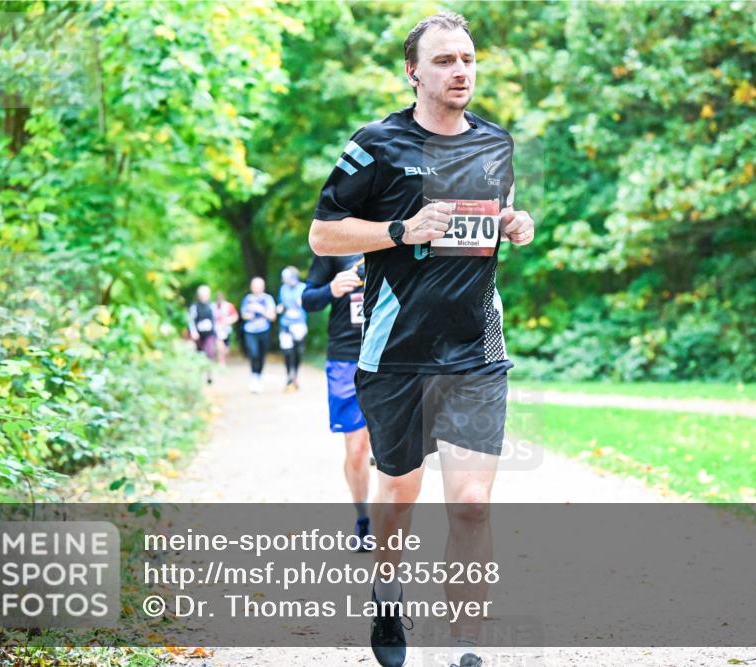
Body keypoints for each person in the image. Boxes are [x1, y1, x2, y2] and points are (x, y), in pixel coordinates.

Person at [308, 12, 535, 667]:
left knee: (469, 501)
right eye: (444, 60)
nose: (460, 70)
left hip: (475, 351)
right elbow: (324, 236)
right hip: (393, 350)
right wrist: (401, 229)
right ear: (414, 72)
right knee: (400, 490)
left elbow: (494, 222)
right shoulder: (374, 144)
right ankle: (386, 590)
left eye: (467, 58)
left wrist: (517, 225)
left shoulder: (496, 143)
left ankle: (467, 642)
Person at [302, 254, 373, 549]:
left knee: (391, 449)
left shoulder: (399, 231)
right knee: (357, 449)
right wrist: (331, 289)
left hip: (393, 354)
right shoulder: (333, 243)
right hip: (346, 357)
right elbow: (308, 300)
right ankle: (363, 518)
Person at [240, 276, 276, 393]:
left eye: (259, 286)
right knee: (253, 353)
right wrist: (250, 314)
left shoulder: (268, 299)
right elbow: (244, 315)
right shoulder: (247, 299)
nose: (257, 288)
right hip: (250, 331)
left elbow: (272, 316)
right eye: (255, 286)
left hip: (264, 330)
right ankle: (254, 376)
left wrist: (260, 310)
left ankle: (259, 376)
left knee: (261, 355)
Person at [276, 266, 308, 392]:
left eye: (285, 277)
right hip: (285, 323)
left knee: (298, 351)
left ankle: (295, 375)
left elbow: (308, 304)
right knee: (287, 351)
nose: (283, 280)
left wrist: (303, 302)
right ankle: (289, 375)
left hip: (299, 323)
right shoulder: (283, 289)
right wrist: (280, 307)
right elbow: (281, 303)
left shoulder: (303, 288)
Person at [187, 284, 217, 384]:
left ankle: (209, 374)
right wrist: (194, 332)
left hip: (210, 333)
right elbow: (191, 321)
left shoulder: (212, 306)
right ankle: (199, 375)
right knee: (199, 353)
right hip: (198, 335)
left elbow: (216, 319)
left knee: (209, 352)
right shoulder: (194, 307)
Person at [213, 291, 239, 367]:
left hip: (226, 330)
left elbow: (235, 316)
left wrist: (228, 321)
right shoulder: (213, 306)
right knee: (220, 346)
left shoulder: (228, 306)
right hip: (217, 330)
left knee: (226, 349)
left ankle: (223, 360)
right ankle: (221, 363)